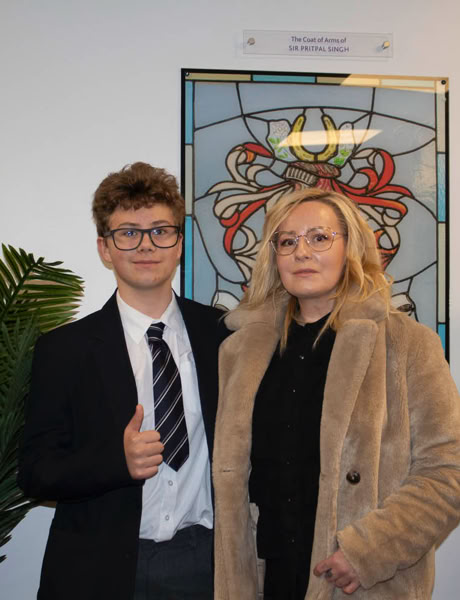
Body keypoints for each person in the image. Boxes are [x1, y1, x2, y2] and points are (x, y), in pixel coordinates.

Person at [212, 187, 460, 599]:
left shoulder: (406, 344)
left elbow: (448, 471)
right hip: (266, 580)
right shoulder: (239, 353)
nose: (301, 252)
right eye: (287, 241)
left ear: (351, 248)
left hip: (359, 583)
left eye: (319, 237)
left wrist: (368, 552)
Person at [18, 162, 226, 600]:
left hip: (206, 563)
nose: (146, 244)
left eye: (160, 231)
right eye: (128, 232)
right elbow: (36, 473)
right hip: (98, 568)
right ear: (105, 248)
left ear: (179, 243)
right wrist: (117, 461)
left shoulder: (223, 335)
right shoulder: (64, 349)